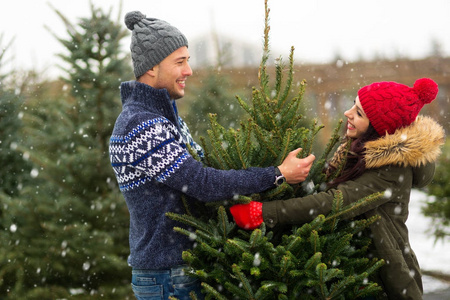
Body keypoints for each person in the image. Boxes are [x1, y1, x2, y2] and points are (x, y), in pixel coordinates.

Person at [109, 11, 316, 300]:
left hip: (180, 269)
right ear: (152, 68)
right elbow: (202, 183)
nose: (189, 71)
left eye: (188, 61)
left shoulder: (161, 117)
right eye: (179, 62)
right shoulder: (141, 125)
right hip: (168, 275)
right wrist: (277, 174)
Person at [230, 78, 445, 300]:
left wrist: (264, 212)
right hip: (349, 269)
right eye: (353, 104)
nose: (347, 113)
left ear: (379, 129)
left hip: (379, 278)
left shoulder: (391, 168)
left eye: (359, 113)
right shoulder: (356, 150)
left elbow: (336, 202)